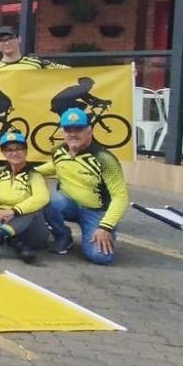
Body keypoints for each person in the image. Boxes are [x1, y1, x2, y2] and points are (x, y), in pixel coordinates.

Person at [38, 108, 128, 265]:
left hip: (96, 212)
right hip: (69, 204)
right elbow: (54, 167)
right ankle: (63, 236)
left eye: (78, 129)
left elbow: (120, 197)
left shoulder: (104, 159)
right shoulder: (58, 151)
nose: (73, 134)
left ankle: (99, 233)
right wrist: (22, 171)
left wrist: (105, 227)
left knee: (101, 257)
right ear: (62, 132)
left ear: (89, 131)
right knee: (48, 199)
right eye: (68, 129)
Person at [0, 131, 50, 263]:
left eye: (19, 148)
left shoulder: (35, 175)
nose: (14, 153)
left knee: (32, 208)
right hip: (2, 220)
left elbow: (42, 197)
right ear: (3, 153)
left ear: (26, 150)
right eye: (9, 150)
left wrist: (13, 211)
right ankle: (14, 241)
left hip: (30, 231)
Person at [0, 26, 69, 71]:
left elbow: (68, 71)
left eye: (10, 38)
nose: (7, 43)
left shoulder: (37, 62)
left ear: (19, 39)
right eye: (1, 40)